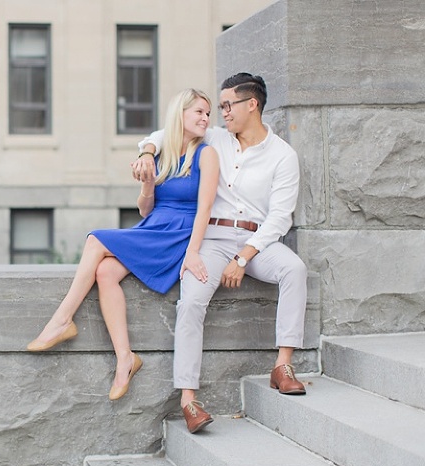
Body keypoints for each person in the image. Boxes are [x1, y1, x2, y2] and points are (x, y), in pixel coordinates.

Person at [132, 73, 308, 433]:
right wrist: (147, 152)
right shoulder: (214, 138)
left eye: (228, 105)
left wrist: (243, 257)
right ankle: (188, 399)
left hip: (257, 243)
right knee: (192, 300)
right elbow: (163, 134)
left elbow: (279, 218)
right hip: (211, 239)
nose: (222, 112)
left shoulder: (283, 156)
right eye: (220, 106)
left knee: (294, 270)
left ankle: (283, 365)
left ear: (251, 105)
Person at [26, 88, 220, 401]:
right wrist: (147, 184)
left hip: (178, 235)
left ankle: (61, 321)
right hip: (154, 226)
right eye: (199, 112)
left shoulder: (206, 153)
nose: (205, 119)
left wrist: (194, 251)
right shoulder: (159, 154)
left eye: (208, 113)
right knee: (104, 272)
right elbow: (146, 209)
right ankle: (125, 358)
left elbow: (206, 208)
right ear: (180, 115)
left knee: (95, 239)